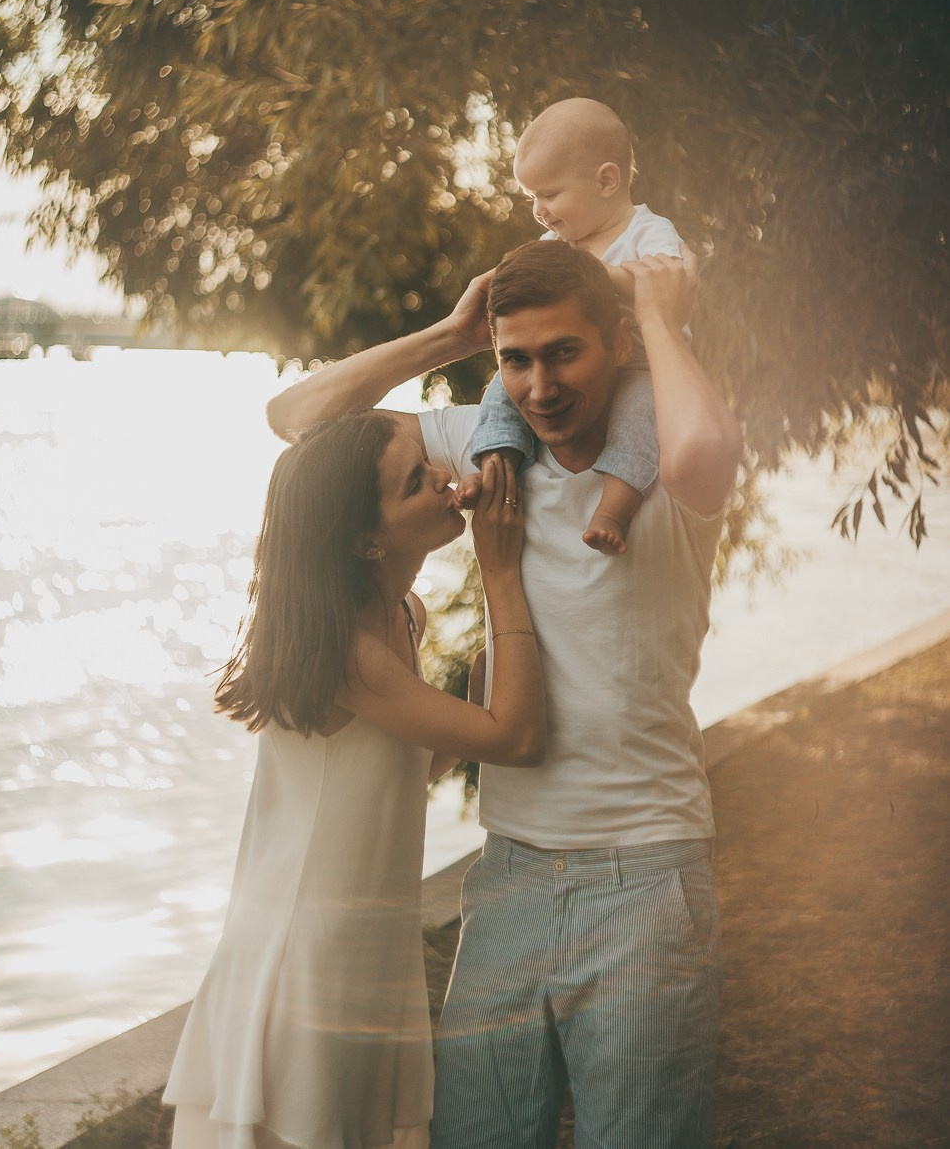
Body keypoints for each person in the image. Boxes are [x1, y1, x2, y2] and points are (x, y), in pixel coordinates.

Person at [266, 238, 743, 1148]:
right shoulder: (487, 440)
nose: (538, 386)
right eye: (514, 361)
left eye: (563, 352)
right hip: (510, 872)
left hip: (643, 875)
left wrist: (657, 314)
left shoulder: (668, 464)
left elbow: (706, 448)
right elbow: (298, 420)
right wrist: (449, 335)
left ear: (615, 346)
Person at [163, 411, 546, 1149]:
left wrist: (457, 721)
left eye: (429, 463)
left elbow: (393, 774)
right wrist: (498, 570)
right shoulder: (345, 647)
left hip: (361, 944)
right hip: (305, 956)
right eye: (415, 483)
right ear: (367, 539)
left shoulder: (403, 614)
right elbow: (518, 737)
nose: (443, 481)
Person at [466, 96, 684, 556]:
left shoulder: (648, 231)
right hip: (585, 362)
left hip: (644, 363)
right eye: (532, 198)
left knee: (641, 420)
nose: (539, 211)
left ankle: (613, 510)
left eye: (549, 194)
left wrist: (591, 276)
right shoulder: (555, 242)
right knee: (499, 391)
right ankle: (494, 466)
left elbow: (669, 280)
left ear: (606, 180)